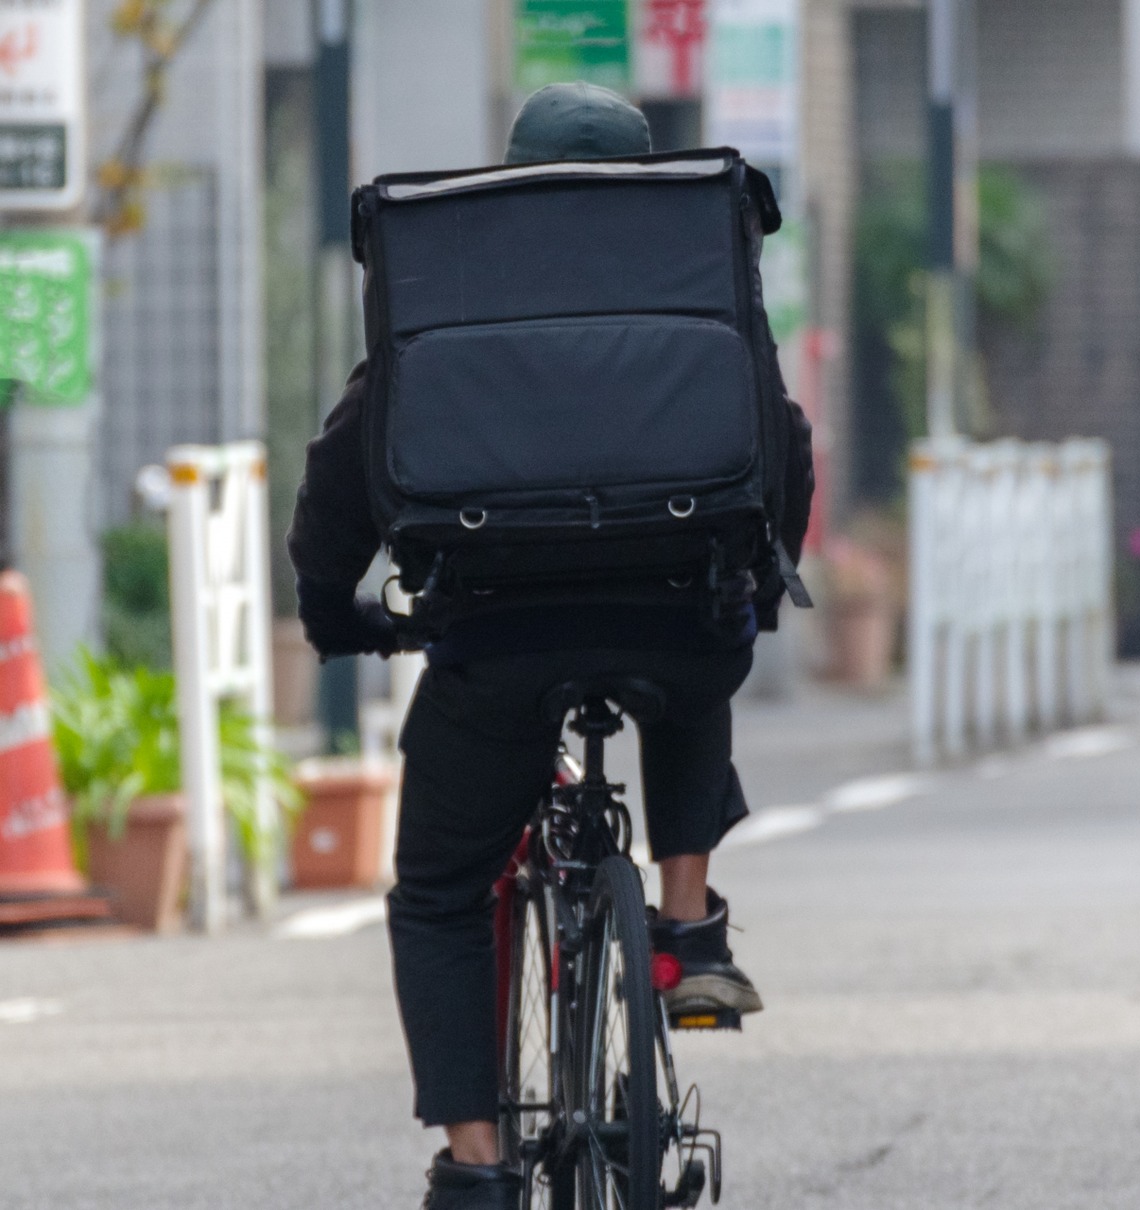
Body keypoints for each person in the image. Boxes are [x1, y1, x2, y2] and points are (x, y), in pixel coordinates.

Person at [286, 83, 814, 1210]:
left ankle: (477, 1169)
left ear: (518, 167)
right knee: (699, 638)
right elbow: (784, 435)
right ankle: (686, 925)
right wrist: (763, 582)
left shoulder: (461, 278)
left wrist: (336, 608)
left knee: (438, 891)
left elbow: (351, 466)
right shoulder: (693, 276)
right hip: (674, 620)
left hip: (495, 636)